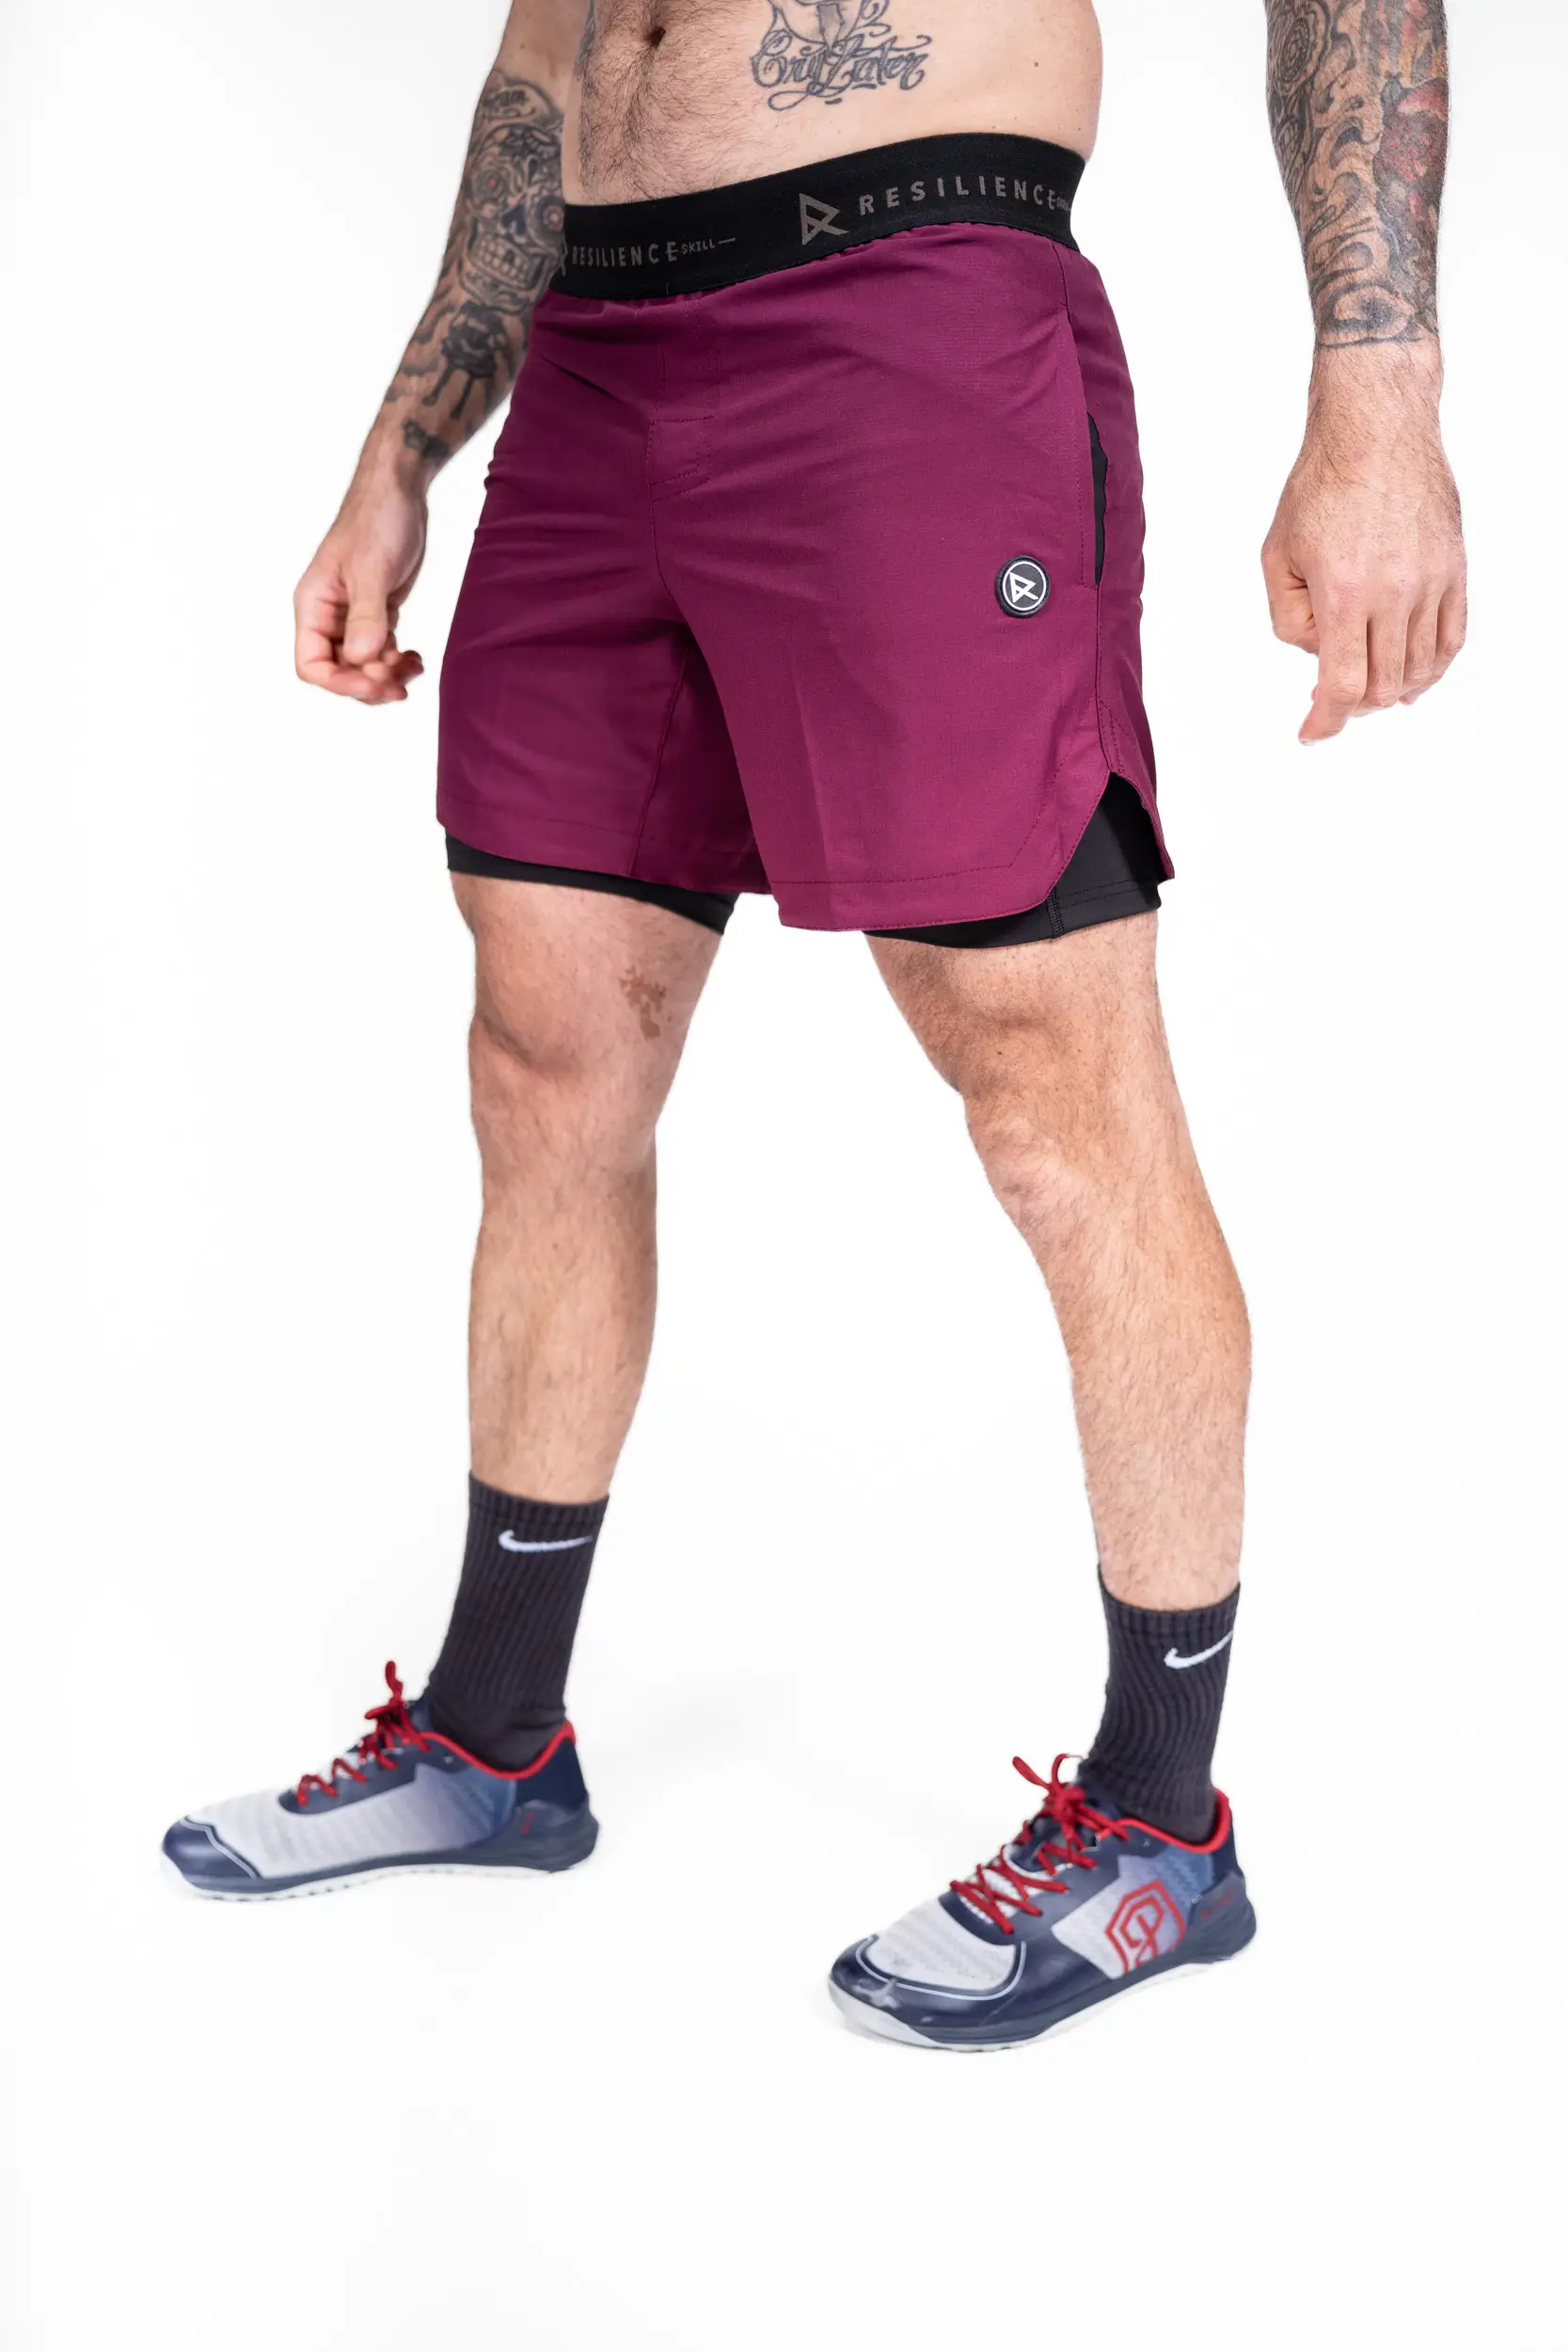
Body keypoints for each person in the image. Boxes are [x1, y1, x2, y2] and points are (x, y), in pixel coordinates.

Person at [162, 0, 1464, 2049]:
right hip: (593, 366)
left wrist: (1376, 390)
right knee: (546, 1061)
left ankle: (1157, 1823)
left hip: (906, 319)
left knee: (1049, 1092)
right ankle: (495, 1741)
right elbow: (549, 60)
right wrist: (401, 449)